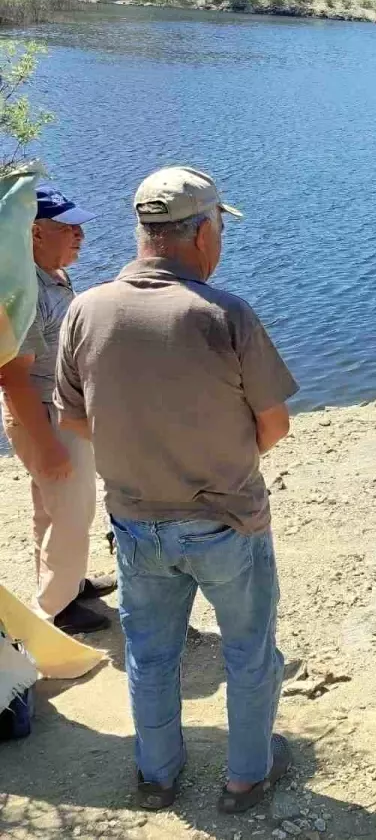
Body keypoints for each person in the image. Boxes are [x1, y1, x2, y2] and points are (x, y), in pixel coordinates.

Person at [54, 167, 298, 813]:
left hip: (134, 524)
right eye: (219, 229)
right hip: (226, 521)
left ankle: (157, 775)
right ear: (199, 233)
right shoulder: (225, 314)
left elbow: (74, 419)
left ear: (144, 231)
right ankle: (246, 776)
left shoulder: (87, 309)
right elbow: (273, 424)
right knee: (249, 651)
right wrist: (214, 459)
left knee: (151, 656)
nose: (220, 243)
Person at [0, 185, 114, 634]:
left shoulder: (50, 277)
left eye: (79, 227)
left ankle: (65, 583)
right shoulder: (24, 293)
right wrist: (48, 445)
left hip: (57, 413)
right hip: (45, 416)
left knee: (52, 509)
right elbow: (12, 376)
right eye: (68, 228)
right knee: (72, 509)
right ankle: (57, 611)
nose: (80, 236)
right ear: (34, 232)